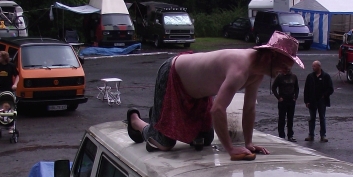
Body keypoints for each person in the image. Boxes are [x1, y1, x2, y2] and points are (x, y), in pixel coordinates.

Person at [126, 32, 304, 161]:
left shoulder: (257, 72)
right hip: (173, 75)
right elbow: (218, 109)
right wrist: (230, 149)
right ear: (271, 56)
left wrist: (248, 143)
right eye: (284, 66)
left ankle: (159, 115)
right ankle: (136, 121)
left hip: (199, 92)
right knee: (164, 143)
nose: (285, 72)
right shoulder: (240, 68)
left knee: (205, 139)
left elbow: (249, 108)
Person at [304, 60, 333, 142]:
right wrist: (306, 101)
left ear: (319, 66)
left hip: (321, 101)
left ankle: (323, 135)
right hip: (312, 100)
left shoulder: (326, 76)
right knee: (312, 118)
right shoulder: (310, 76)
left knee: (322, 118)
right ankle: (311, 135)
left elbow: (330, 89)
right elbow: (306, 89)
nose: (313, 68)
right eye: (312, 66)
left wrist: (324, 95)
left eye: (314, 66)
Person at [271, 63, 300, 140]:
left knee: (290, 119)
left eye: (288, 68)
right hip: (283, 100)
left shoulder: (294, 77)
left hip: (291, 100)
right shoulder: (280, 77)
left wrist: (295, 97)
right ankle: (281, 135)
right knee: (282, 119)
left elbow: (296, 88)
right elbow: (273, 88)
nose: (287, 70)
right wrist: (278, 97)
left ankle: (290, 135)